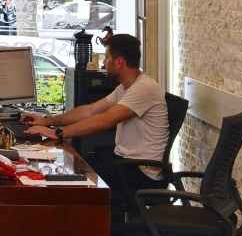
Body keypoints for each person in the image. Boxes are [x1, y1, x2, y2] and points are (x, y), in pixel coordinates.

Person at [21, 33, 167, 201]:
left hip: (140, 174)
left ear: (119, 62)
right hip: (124, 163)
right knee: (73, 168)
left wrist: (57, 133)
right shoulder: (126, 87)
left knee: (76, 180)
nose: (104, 63)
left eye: (107, 58)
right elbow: (90, 111)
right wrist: (48, 121)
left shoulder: (144, 88)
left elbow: (105, 120)